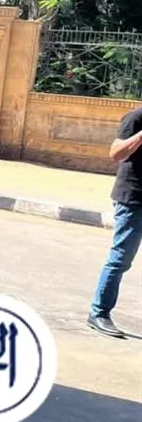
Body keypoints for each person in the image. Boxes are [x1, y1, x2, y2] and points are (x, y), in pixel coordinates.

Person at [87, 104, 142, 338]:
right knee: (121, 259)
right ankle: (98, 312)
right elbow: (116, 153)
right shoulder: (136, 117)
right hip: (133, 198)